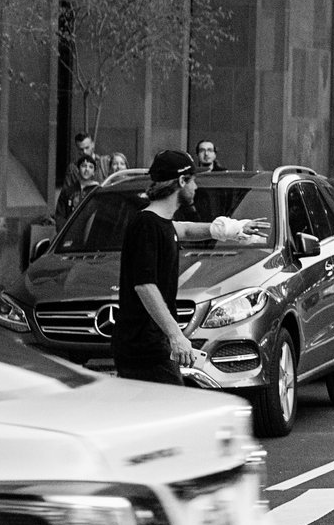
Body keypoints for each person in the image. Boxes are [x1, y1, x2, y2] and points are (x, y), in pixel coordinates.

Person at [114, 149, 268, 386]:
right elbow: (145, 286)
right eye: (193, 180)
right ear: (182, 181)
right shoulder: (146, 226)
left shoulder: (159, 223)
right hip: (144, 347)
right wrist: (176, 335)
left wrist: (231, 229)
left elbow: (184, 229)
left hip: (151, 344)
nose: (196, 187)